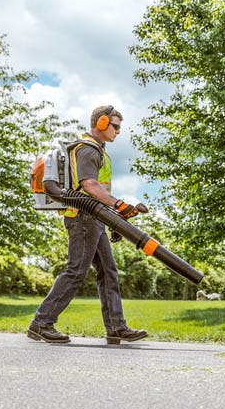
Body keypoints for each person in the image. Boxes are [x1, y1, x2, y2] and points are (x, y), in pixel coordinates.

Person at [27, 105, 148, 344]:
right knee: (76, 271)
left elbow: (97, 191)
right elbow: (89, 185)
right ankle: (41, 323)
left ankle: (116, 327)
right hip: (82, 218)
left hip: (94, 218)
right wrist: (119, 205)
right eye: (115, 126)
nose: (118, 131)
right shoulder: (88, 150)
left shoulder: (99, 152)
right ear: (101, 123)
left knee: (108, 271)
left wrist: (112, 219)